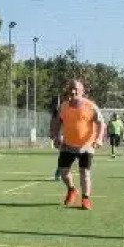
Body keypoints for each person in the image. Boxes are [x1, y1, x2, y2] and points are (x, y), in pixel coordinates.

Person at [51, 78, 104, 210]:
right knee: (63, 172)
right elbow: (58, 121)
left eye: (76, 89)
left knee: (84, 173)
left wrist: (99, 138)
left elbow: (101, 123)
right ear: (68, 91)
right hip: (67, 144)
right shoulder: (63, 106)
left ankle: (85, 199)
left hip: (87, 145)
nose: (73, 91)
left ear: (82, 91)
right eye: (71, 88)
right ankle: (71, 189)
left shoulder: (91, 106)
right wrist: (56, 135)